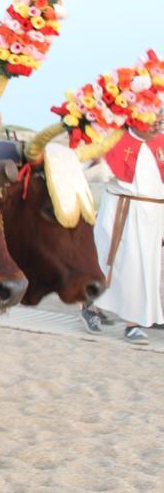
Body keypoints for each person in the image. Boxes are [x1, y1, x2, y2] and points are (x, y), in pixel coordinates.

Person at [81, 120, 164, 344]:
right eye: (153, 121)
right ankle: (126, 322)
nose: (157, 125)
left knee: (147, 268)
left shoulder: (160, 142)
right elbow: (96, 174)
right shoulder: (117, 140)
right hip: (123, 213)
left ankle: (140, 314)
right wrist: (96, 159)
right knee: (123, 267)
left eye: (159, 120)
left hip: (152, 216)